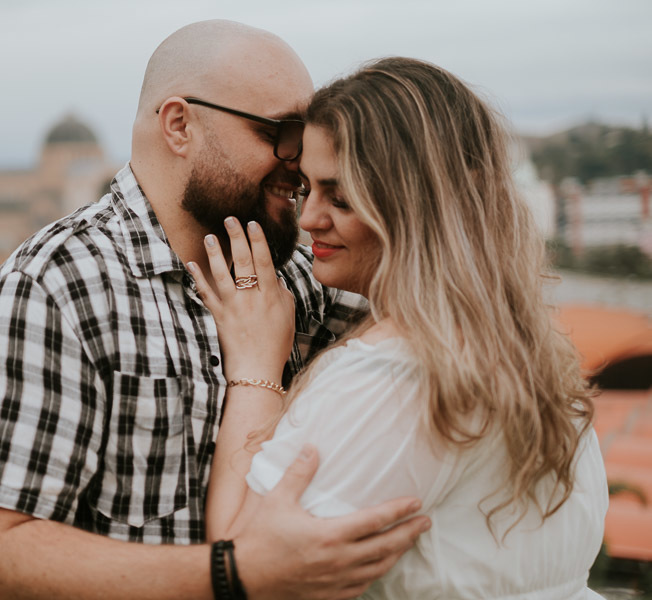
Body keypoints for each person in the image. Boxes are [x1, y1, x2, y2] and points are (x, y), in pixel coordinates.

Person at [0, 22, 430, 600]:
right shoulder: (57, 289)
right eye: (280, 132)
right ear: (180, 125)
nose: (298, 161)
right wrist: (234, 573)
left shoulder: (302, 274)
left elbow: (440, 326)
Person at [196, 57, 608, 599]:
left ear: (418, 205)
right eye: (306, 190)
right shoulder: (525, 348)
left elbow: (249, 561)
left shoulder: (393, 375)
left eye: (340, 197)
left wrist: (253, 367)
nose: (310, 217)